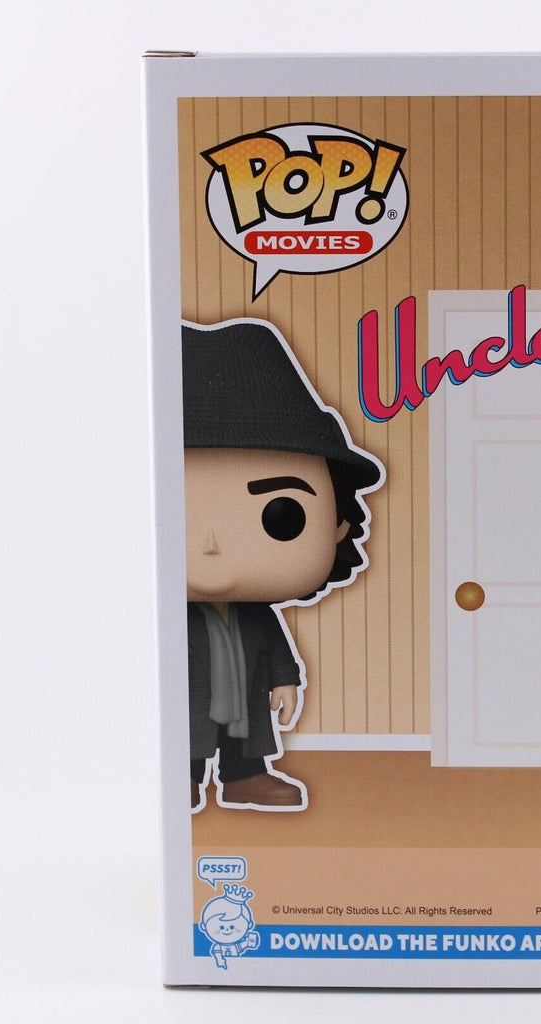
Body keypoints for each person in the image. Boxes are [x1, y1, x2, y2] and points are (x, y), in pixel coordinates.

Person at [183, 319, 384, 811]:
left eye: (282, 515)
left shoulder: (257, 614)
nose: (211, 545)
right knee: (185, 731)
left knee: (246, 734)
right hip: (183, 705)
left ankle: (245, 776)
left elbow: (276, 650)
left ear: (338, 524)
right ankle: (181, 776)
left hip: (245, 698)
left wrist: (286, 680)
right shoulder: (162, 621)